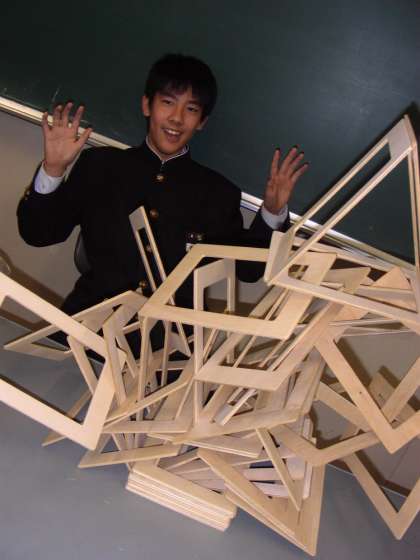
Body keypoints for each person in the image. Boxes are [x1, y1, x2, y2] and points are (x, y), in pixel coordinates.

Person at [17, 54, 308, 318]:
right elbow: (39, 234)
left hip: (171, 344)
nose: (177, 118)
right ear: (147, 105)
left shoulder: (218, 193)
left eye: (190, 109)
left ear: (202, 122)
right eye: (168, 102)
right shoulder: (100, 166)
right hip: (90, 326)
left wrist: (272, 212)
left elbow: (249, 270)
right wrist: (53, 169)